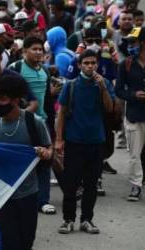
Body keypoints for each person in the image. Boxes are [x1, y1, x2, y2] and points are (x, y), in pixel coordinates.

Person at [0, 75, 52, 250]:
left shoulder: (34, 123)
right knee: (8, 241)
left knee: (26, 240)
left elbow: (48, 149)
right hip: (0, 194)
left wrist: (44, 152)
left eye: (2, 98)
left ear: (16, 100)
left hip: (27, 193)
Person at [56, 50, 115, 234]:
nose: (90, 66)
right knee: (71, 184)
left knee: (91, 183)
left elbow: (109, 108)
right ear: (80, 65)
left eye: (93, 63)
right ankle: (68, 219)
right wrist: (58, 139)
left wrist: (103, 88)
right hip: (74, 141)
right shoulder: (71, 85)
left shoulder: (102, 83)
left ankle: (87, 219)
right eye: (87, 63)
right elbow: (61, 113)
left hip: (96, 141)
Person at [8, 36, 57, 215]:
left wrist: (51, 122)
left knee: (44, 161)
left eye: (40, 50)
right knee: (21, 160)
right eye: (34, 49)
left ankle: (42, 201)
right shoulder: (15, 69)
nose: (38, 52)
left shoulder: (45, 70)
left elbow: (48, 98)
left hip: (41, 121)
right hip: (21, 122)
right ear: (24, 51)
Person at [115, 27, 145, 201]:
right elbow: (119, 90)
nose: (131, 45)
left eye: (134, 41)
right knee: (134, 154)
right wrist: (134, 95)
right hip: (133, 115)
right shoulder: (125, 64)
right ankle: (136, 185)